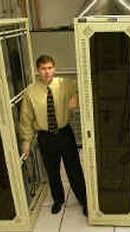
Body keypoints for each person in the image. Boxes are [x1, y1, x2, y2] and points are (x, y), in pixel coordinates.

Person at [19, 55, 87, 216]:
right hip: (45, 136)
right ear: (37, 70)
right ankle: (58, 199)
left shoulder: (65, 84)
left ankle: (84, 200)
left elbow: (84, 85)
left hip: (65, 133)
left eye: (49, 68)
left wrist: (76, 96)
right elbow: (26, 119)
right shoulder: (30, 92)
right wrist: (26, 142)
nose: (47, 72)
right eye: (43, 69)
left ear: (54, 68)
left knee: (74, 168)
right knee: (52, 170)